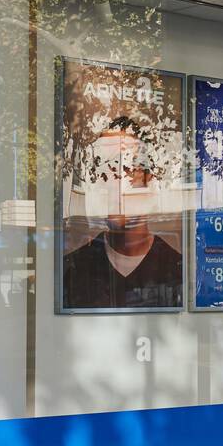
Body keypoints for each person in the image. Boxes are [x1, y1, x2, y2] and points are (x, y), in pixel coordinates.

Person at [61, 116, 183, 310]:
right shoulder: (75, 268)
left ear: (147, 179)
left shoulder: (177, 269)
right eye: (102, 171)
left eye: (125, 170)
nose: (113, 183)